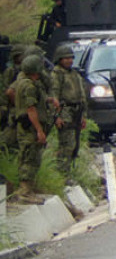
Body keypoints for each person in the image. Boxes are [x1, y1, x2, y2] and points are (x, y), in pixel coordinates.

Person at [10, 54, 52, 201]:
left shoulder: (26, 82)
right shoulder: (28, 86)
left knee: (31, 156)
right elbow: (31, 109)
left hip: (28, 126)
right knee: (30, 158)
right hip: (29, 128)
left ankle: (28, 189)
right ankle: (25, 191)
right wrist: (39, 130)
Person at [49, 45, 87, 181]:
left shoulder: (74, 74)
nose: (69, 61)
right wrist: (56, 116)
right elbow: (54, 96)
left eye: (71, 58)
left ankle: (69, 172)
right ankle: (63, 174)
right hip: (65, 111)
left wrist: (83, 116)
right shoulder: (56, 75)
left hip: (77, 111)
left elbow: (82, 95)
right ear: (59, 59)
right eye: (66, 58)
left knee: (75, 145)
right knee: (67, 144)